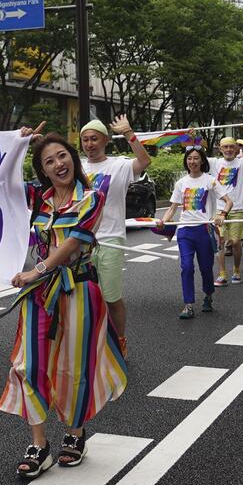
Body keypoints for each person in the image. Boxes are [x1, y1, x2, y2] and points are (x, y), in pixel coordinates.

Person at [0, 131, 126, 480]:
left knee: (75, 367)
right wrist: (18, 144)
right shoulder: (37, 197)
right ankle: (39, 446)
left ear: (73, 157)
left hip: (79, 290)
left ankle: (74, 432)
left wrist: (37, 269)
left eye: (62, 156)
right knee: (28, 365)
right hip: (38, 294)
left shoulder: (93, 198)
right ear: (42, 171)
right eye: (49, 161)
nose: (58, 164)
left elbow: (73, 243)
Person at [78, 115, 151, 359]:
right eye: (85, 140)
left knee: (111, 297)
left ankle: (119, 340)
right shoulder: (77, 168)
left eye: (94, 139)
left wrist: (129, 133)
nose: (89, 144)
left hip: (110, 239)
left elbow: (144, 161)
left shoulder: (119, 165)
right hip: (81, 241)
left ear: (105, 141)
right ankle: (93, 342)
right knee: (84, 298)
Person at [158, 146, 232, 318]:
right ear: (186, 161)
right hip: (185, 231)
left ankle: (208, 295)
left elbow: (228, 201)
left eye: (196, 158)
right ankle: (188, 304)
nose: (192, 161)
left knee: (206, 268)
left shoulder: (210, 181)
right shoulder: (181, 183)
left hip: (204, 229)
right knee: (187, 267)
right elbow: (172, 208)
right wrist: (164, 221)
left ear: (202, 161)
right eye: (189, 158)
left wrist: (222, 214)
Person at [208, 132, 243, 285]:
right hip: (218, 209)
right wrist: (191, 138)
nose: (229, 149)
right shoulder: (214, 163)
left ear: (237, 148)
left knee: (236, 242)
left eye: (231, 146)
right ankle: (222, 273)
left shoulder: (242, 163)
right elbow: (193, 154)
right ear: (220, 148)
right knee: (220, 241)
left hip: (237, 209)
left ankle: (236, 270)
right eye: (225, 147)